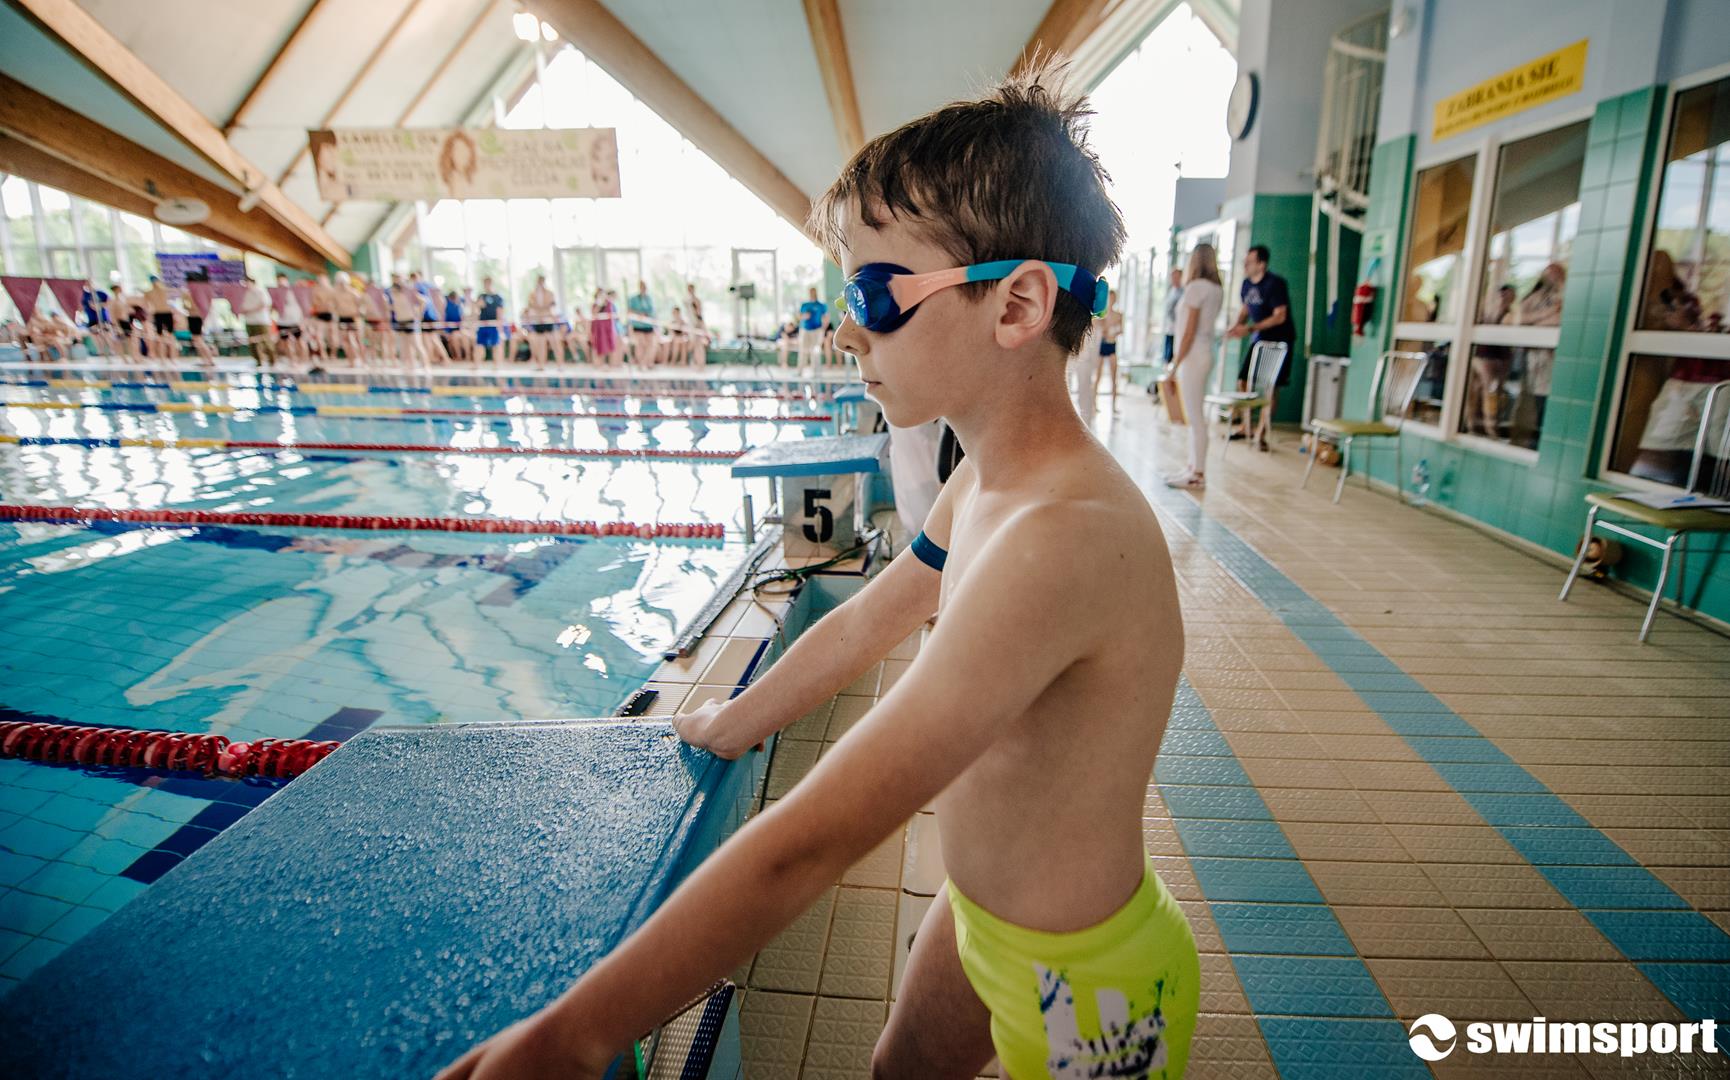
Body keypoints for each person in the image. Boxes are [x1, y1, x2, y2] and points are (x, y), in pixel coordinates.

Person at [440, 59, 1199, 1080]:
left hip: (1095, 986)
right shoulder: (984, 481)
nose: (844, 329)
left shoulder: (1060, 535)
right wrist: (728, 722)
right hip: (978, 915)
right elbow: (863, 620)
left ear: (1016, 305)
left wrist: (573, 1035)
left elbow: (815, 842)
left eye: (874, 293)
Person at [1165, 243, 1224, 490]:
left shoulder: (1195, 287)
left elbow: (1188, 331)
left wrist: (1174, 363)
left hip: (1192, 356)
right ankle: (1192, 467)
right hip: (1205, 353)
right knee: (1195, 413)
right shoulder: (1216, 289)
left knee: (1195, 416)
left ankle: (1197, 473)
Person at [1224, 244, 1294, 451]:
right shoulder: (1246, 284)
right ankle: (1246, 426)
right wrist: (1237, 326)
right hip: (1259, 339)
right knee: (1243, 380)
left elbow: (1280, 316)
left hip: (1279, 341)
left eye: (1249, 262)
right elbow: (1246, 308)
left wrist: (1250, 328)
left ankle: (1261, 433)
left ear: (1261, 264)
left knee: (1270, 387)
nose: (1245, 265)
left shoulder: (1275, 284)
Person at [237, 274, 275, 366]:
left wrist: (250, 310)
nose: (245, 285)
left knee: (265, 340)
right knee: (252, 342)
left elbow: (264, 304)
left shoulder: (260, 291)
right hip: (249, 321)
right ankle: (258, 361)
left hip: (261, 321)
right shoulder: (244, 293)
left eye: (246, 283)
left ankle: (272, 361)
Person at [1095, 287, 1124, 405]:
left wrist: (1113, 331)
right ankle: (1094, 403)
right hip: (1103, 345)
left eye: (1113, 298)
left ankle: (1114, 405)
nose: (1111, 300)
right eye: (1110, 298)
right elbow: (1097, 326)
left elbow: (1121, 330)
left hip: (1112, 345)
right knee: (1098, 375)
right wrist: (1104, 329)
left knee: (1113, 377)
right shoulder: (1102, 314)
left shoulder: (1119, 315)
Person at [524, 275, 558, 365]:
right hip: (538, 321)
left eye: (542, 281)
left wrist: (542, 309)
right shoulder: (532, 294)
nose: (540, 283)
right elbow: (531, 305)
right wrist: (541, 309)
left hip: (548, 320)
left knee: (554, 343)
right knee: (540, 343)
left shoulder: (550, 293)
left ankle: (559, 364)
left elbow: (551, 305)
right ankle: (541, 364)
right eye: (539, 281)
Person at [274, 274, 307, 366]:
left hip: (295, 320)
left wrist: (302, 321)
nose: (281, 284)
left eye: (282, 282)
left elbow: (303, 306)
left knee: (299, 341)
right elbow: (274, 307)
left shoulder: (295, 292)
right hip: (282, 321)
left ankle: (303, 360)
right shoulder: (276, 294)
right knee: (286, 342)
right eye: (279, 282)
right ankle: (292, 361)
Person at [143, 275, 175, 360]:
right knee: (160, 337)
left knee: (170, 336)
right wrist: (149, 315)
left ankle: (172, 358)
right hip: (158, 314)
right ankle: (163, 358)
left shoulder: (163, 290)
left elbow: (175, 290)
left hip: (166, 313)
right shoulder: (149, 293)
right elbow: (146, 306)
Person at [797, 286, 827, 376]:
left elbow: (825, 317)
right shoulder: (804, 305)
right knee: (803, 351)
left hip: (817, 330)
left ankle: (815, 372)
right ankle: (800, 371)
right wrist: (804, 316)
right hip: (805, 330)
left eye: (813, 292)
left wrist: (823, 329)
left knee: (815, 352)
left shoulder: (821, 305)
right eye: (810, 292)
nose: (811, 294)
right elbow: (799, 316)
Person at [475, 277, 506, 363]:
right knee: (479, 344)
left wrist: (500, 326)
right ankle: (476, 364)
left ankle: (497, 364)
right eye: (485, 284)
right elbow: (476, 309)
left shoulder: (498, 297)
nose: (486, 285)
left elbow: (500, 312)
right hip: (483, 325)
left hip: (494, 325)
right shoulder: (481, 296)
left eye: (488, 283)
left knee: (496, 345)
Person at [627, 280, 657, 365]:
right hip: (638, 326)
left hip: (648, 325)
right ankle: (641, 363)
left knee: (650, 344)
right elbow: (629, 311)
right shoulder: (633, 299)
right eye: (642, 286)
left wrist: (648, 316)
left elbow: (652, 311)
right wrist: (639, 314)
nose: (644, 288)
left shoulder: (649, 299)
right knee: (640, 344)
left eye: (645, 287)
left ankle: (646, 362)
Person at [1161, 265, 1183, 363]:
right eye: (1172, 277)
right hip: (1169, 328)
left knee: (1173, 355)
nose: (1174, 279)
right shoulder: (1172, 291)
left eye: (1176, 277)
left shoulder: (1183, 292)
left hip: (1177, 329)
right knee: (1167, 356)